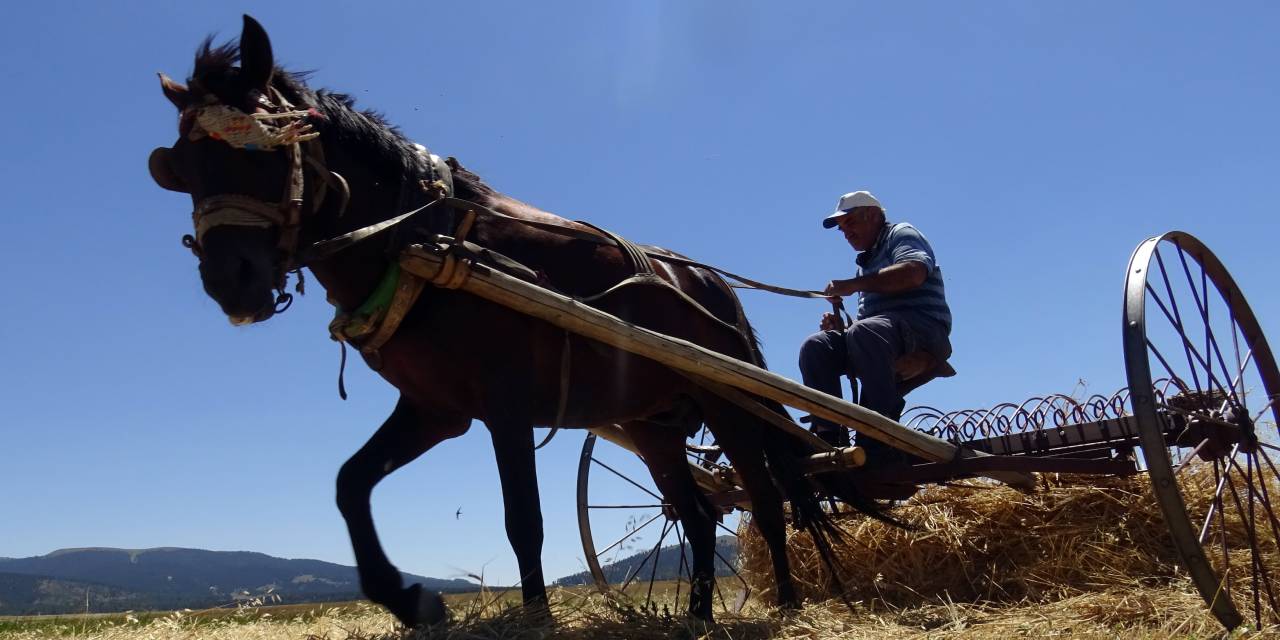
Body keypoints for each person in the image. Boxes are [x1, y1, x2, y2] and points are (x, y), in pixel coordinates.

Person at [798, 191, 953, 458]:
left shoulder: (902, 234)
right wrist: (841, 329)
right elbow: (871, 323)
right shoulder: (866, 263)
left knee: (865, 331)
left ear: (872, 215)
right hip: (884, 334)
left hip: (925, 331)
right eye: (842, 229)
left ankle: (881, 433)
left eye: (850, 223)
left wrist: (852, 285)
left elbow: (914, 272)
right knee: (817, 346)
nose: (846, 233)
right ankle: (829, 434)